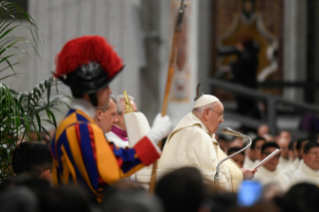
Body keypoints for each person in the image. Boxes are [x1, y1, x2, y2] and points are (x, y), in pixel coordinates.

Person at [51, 35, 171, 202]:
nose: (109, 91)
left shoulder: (77, 123)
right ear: (89, 92)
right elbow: (110, 170)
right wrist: (154, 136)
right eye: (104, 87)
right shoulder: (79, 127)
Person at [157, 94, 256, 192]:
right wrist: (238, 175)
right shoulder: (196, 133)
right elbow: (210, 177)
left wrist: (237, 173)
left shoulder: (197, 131)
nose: (222, 120)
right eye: (220, 114)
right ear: (207, 113)